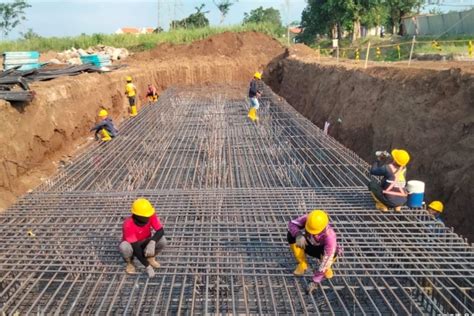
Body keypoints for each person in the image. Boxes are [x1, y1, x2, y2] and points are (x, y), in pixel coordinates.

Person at [287, 210, 341, 294]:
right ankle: (302, 264)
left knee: (333, 253)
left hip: (321, 252)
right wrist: (298, 234)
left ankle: (326, 269)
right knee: (291, 235)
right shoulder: (308, 218)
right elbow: (292, 224)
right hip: (309, 243)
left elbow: (328, 258)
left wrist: (315, 281)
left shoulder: (330, 236)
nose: (312, 233)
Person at [119, 198, 167, 277]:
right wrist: (147, 266)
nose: (148, 217)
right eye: (145, 216)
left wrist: (152, 242)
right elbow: (136, 248)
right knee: (124, 247)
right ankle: (129, 262)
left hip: (145, 241)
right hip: (132, 246)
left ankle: (150, 257)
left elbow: (160, 230)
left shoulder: (149, 214)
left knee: (162, 240)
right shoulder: (128, 224)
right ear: (137, 215)